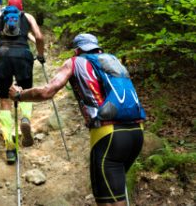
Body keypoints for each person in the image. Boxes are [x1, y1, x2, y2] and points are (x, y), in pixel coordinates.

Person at [9, 33, 145, 205]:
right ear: (97, 46)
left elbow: (46, 91)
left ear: (77, 50)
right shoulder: (113, 61)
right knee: (117, 194)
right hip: (136, 133)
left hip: (108, 136)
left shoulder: (74, 62)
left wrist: (20, 95)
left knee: (108, 201)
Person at [0, 0, 45, 164]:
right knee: (25, 94)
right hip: (23, 56)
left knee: (4, 101)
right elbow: (39, 37)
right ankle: (25, 119)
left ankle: (9, 146)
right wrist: (40, 55)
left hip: (2, 56)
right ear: (21, 8)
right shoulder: (27, 17)